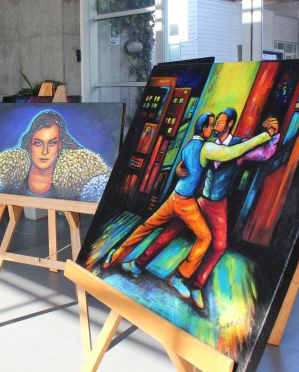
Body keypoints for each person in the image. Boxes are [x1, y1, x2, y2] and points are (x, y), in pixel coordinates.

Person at [103, 112, 277, 306]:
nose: (215, 127)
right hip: (192, 201)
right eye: (213, 123)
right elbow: (224, 154)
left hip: (205, 201)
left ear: (230, 124)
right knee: (193, 236)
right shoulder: (206, 147)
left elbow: (254, 153)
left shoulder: (211, 145)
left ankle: (124, 257)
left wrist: (270, 136)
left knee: (155, 228)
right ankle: (147, 267)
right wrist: (179, 170)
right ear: (205, 128)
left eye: (219, 122)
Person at [0, 110, 111, 201]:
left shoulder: (75, 181)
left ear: (60, 145)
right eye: (38, 143)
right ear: (30, 145)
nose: (45, 151)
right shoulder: (11, 176)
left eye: (52, 143)